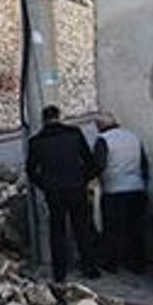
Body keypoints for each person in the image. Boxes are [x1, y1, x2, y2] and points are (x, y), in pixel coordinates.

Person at [26, 105, 99, 283]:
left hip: (54, 191)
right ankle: (89, 267)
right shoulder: (74, 134)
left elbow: (30, 170)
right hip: (76, 187)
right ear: (59, 116)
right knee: (82, 227)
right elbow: (90, 161)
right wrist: (83, 179)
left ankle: (60, 272)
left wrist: (45, 185)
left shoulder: (36, 141)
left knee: (57, 230)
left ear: (44, 119)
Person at [93, 113, 149, 272]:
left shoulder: (103, 140)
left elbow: (99, 165)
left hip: (114, 191)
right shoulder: (133, 136)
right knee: (136, 229)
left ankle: (113, 263)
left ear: (100, 126)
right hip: (137, 188)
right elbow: (144, 163)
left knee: (113, 230)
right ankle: (138, 264)